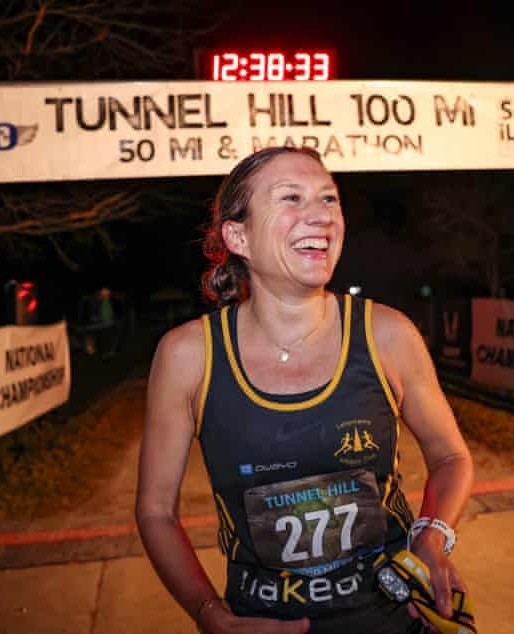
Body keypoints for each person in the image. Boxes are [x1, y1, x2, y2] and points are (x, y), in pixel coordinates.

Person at [136, 147, 474, 633]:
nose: (320, 216)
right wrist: (210, 615)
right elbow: (154, 511)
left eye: (329, 200)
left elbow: (450, 457)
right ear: (239, 235)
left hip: (395, 616)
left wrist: (432, 537)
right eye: (291, 198)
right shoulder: (187, 355)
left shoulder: (388, 335)